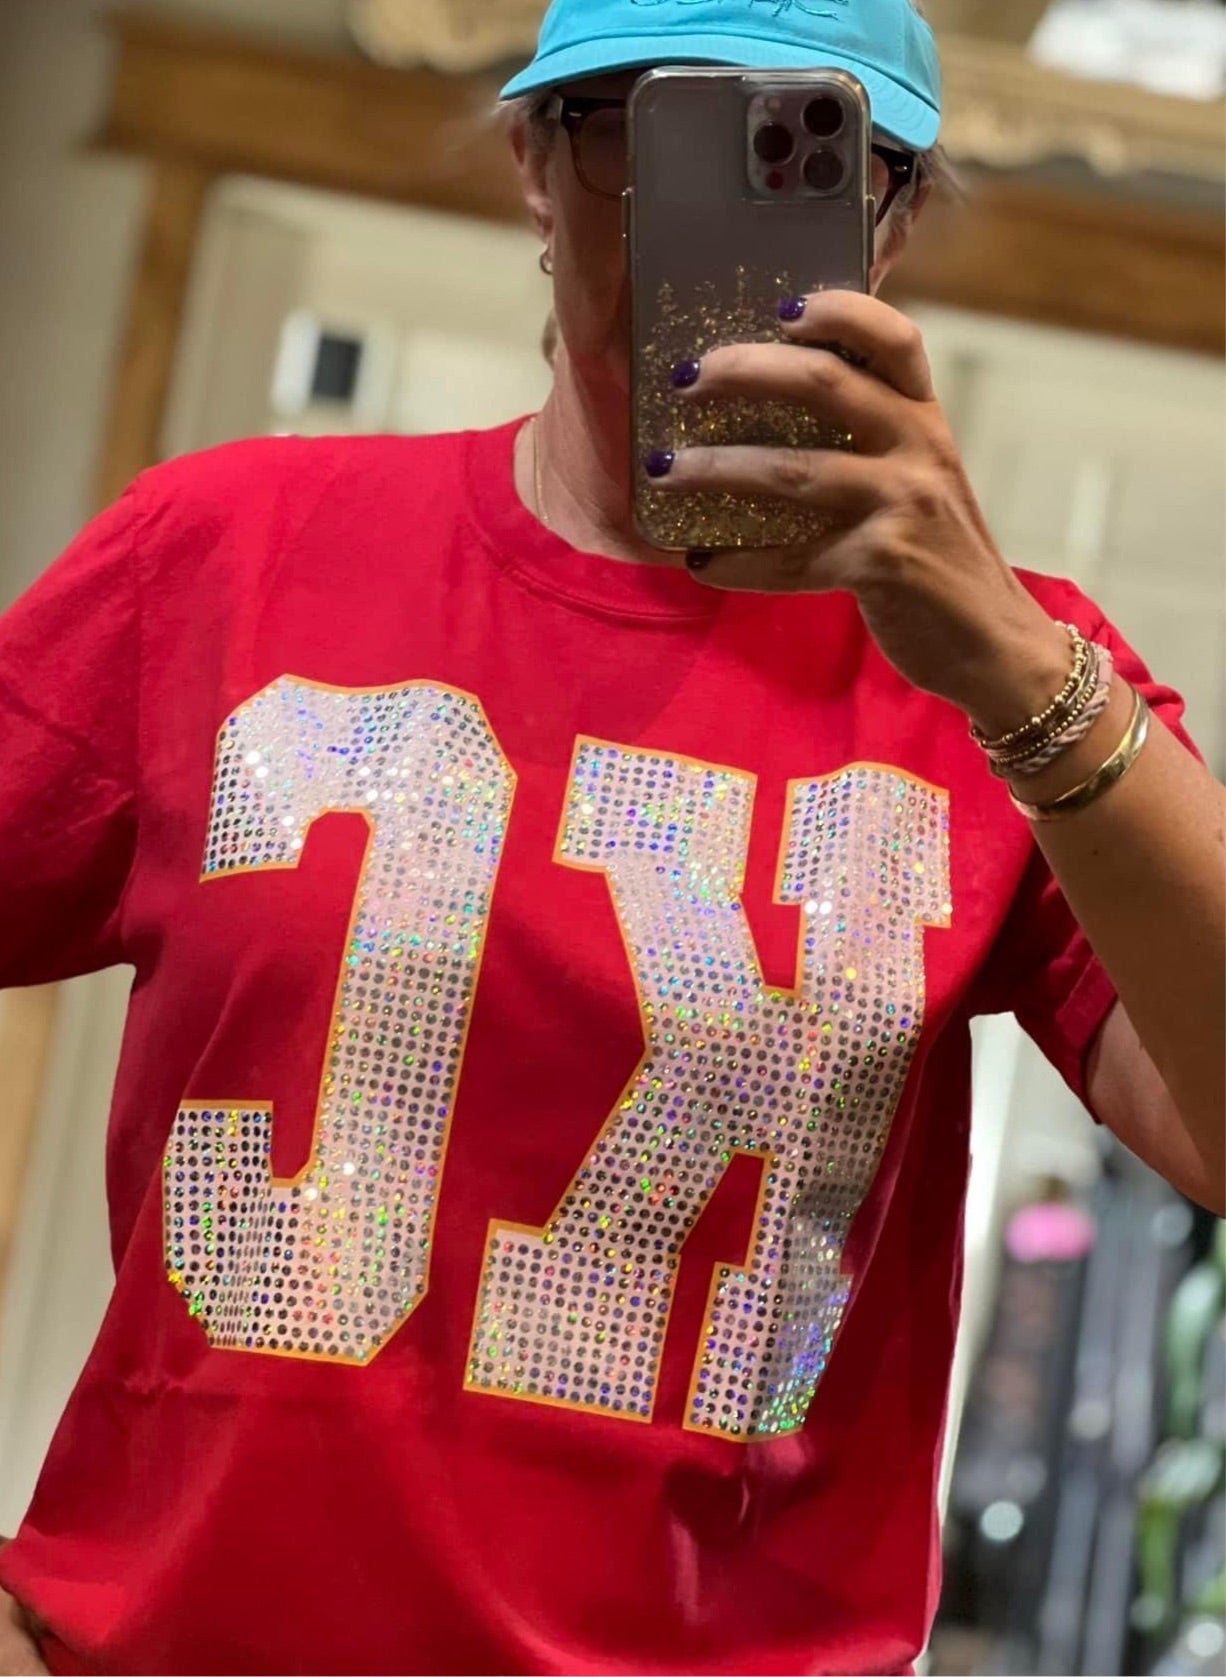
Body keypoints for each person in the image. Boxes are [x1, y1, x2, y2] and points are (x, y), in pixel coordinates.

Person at [0, 0, 1222, 1671]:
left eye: (802, 156)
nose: (683, 214)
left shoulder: (1018, 678)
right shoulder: (227, 551)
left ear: (888, 221)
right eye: (635, 135)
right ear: (532, 160)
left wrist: (1014, 668)